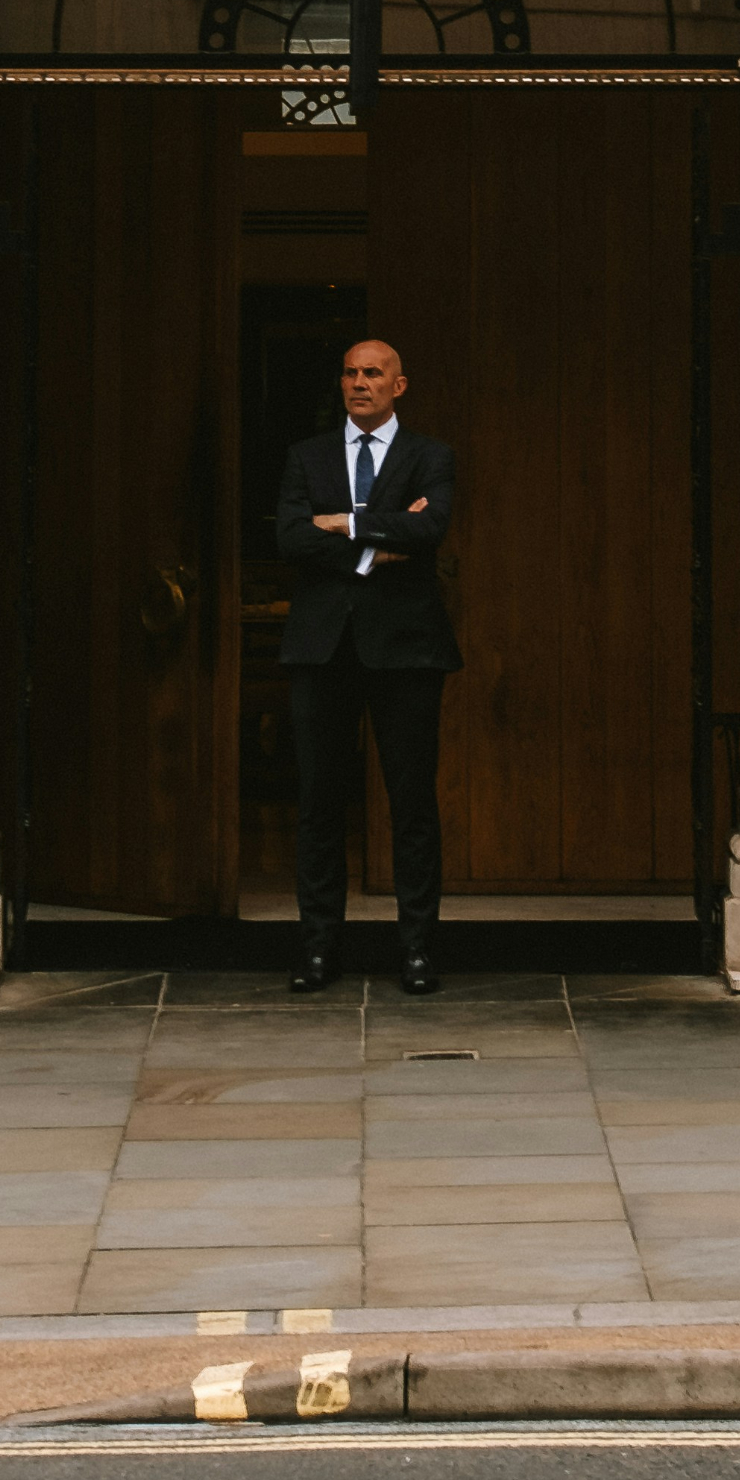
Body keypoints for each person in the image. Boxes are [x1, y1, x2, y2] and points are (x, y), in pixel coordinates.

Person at [274, 336, 459, 996]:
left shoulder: (429, 456)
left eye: (373, 373)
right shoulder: (307, 456)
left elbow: (429, 529)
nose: (359, 383)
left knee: (410, 804)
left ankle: (416, 952)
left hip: (406, 649)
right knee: (319, 804)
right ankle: (319, 952)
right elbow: (289, 536)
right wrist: (376, 539)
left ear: (398, 386)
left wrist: (342, 524)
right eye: (350, 372)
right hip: (321, 650)